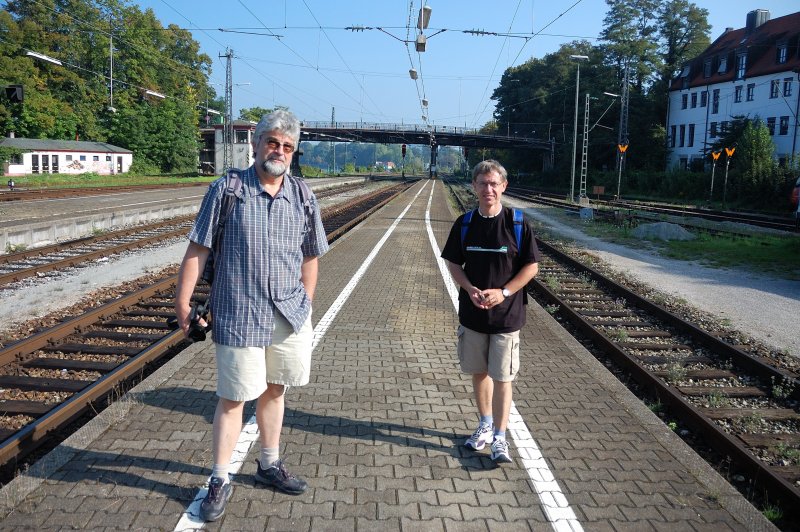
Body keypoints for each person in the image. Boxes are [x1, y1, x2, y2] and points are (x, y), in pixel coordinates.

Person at [174, 110, 329, 522]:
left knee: (276, 389)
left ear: (294, 152)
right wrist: (183, 304)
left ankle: (268, 464)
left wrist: (306, 301)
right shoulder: (228, 189)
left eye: (287, 146)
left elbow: (311, 256)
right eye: (273, 142)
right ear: (256, 144)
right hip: (239, 312)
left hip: (289, 313)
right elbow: (198, 249)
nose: (279, 151)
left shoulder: (303, 195)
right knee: (233, 397)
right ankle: (220, 477)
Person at [440, 159, 541, 464]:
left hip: (506, 316)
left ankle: (500, 436)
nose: (488, 189)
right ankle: (484, 424)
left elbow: (531, 266)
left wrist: (505, 292)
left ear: (503, 187)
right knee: (479, 372)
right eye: (483, 183)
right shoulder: (465, 223)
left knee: (502, 377)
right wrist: (469, 288)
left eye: (494, 183)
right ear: (474, 187)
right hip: (473, 315)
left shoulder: (518, 223)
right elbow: (454, 264)